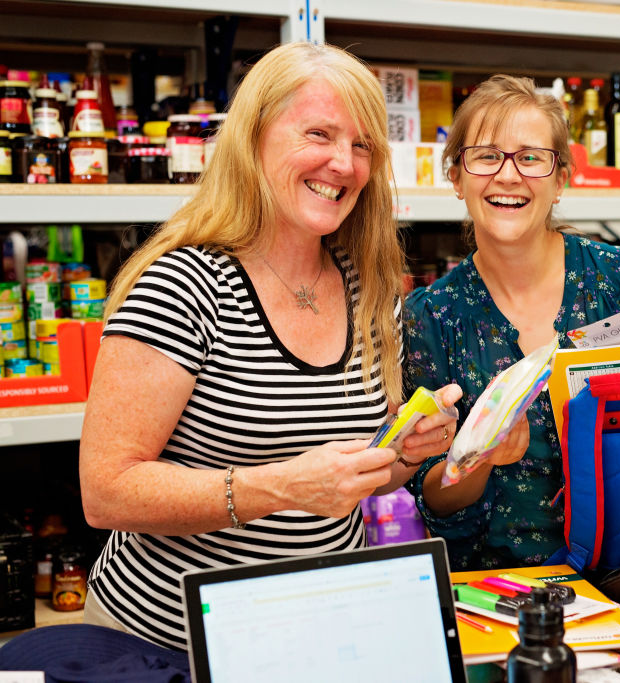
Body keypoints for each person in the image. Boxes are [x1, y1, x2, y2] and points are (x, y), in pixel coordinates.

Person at [78, 42, 459, 652]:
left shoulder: (365, 286)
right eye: (319, 133)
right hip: (166, 645)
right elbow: (105, 492)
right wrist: (280, 487)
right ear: (253, 139)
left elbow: (346, 479)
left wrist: (405, 454)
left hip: (318, 631)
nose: (343, 162)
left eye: (362, 145)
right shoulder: (182, 286)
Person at [404, 75, 620, 571]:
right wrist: (479, 457)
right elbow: (434, 499)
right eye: (487, 156)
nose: (508, 176)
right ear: (456, 177)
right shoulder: (431, 316)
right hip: (502, 593)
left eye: (530, 157)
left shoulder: (618, 278)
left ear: (561, 180)